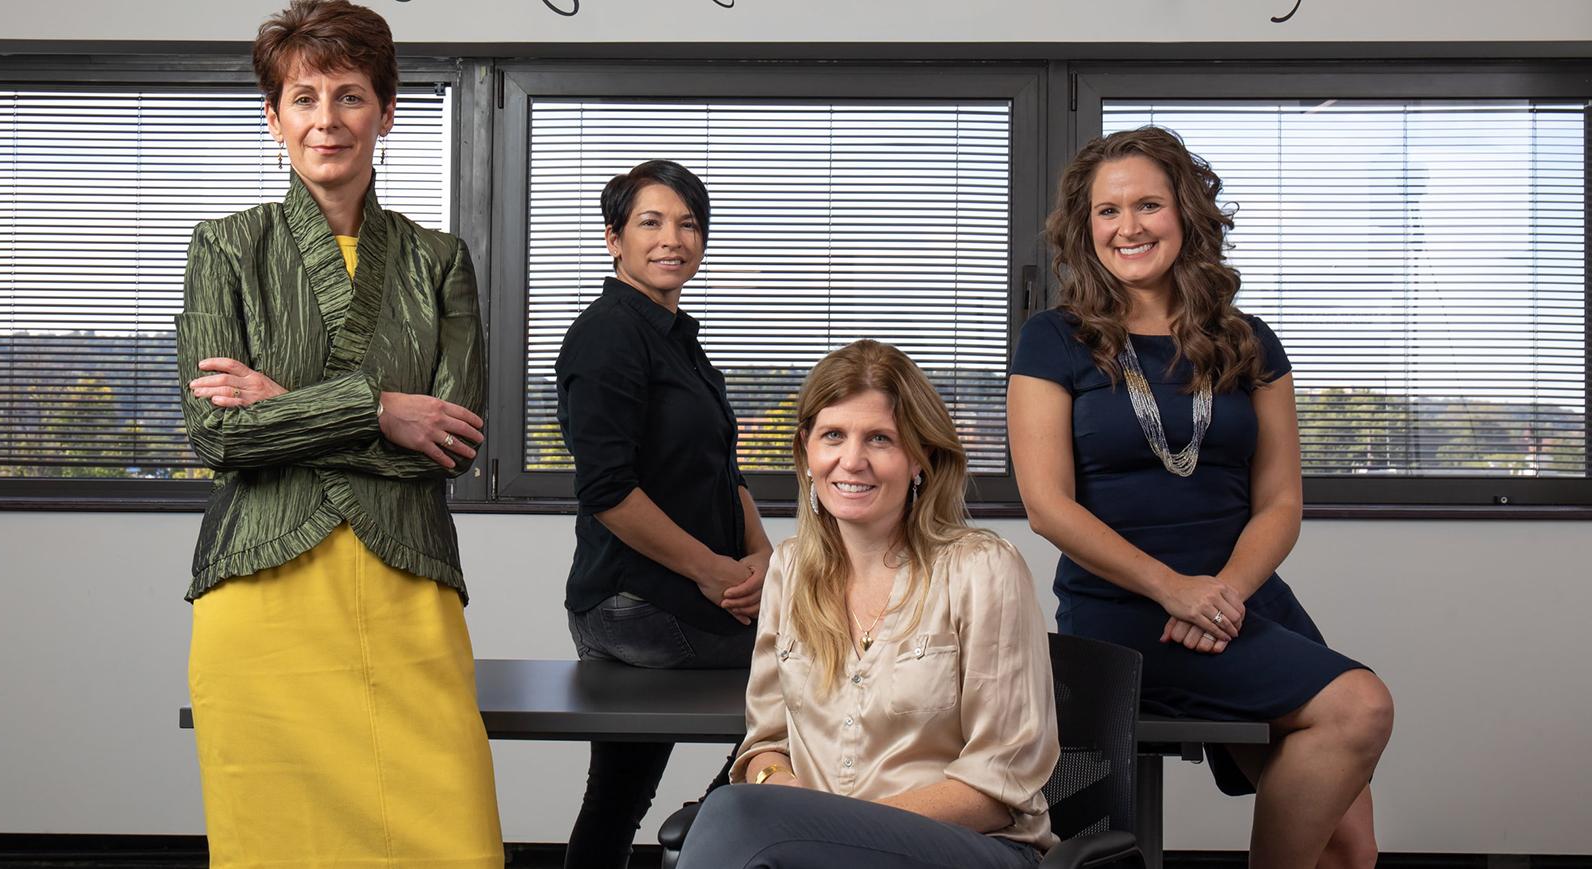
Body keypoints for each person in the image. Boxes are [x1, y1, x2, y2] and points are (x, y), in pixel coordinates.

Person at [1007, 125, 1393, 869]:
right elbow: (1047, 505)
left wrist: (1224, 593)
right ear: (1086, 230)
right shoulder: (1054, 340)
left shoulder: (1250, 341)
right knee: (1361, 703)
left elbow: (1280, 500)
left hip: (1241, 601)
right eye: (1107, 211)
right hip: (1128, 613)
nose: (1129, 226)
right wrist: (1173, 590)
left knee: (1350, 843)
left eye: (1147, 204)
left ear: (1185, 214)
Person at [177, 1, 501, 865]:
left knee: (456, 844)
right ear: (275, 116)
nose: (328, 120)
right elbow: (216, 436)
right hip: (262, 596)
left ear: (386, 112)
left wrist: (284, 402)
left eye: (351, 95)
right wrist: (381, 409)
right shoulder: (225, 248)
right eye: (305, 96)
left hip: (409, 590)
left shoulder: (439, 261)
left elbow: (456, 442)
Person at [678, 339, 1059, 869]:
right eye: (833, 435)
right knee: (738, 814)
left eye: (880, 439)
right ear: (807, 453)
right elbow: (764, 743)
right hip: (811, 847)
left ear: (919, 460)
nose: (851, 461)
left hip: (968, 848)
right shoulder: (788, 572)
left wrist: (835, 827)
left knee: (731, 818)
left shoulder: (982, 569)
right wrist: (779, 786)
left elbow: (1000, 783)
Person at [554, 159, 774, 869]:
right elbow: (608, 491)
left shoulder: (677, 335)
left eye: (688, 224)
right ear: (614, 237)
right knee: (816, 676)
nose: (672, 238)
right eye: (651, 221)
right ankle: (707, 836)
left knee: (617, 797)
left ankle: (702, 832)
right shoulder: (607, 336)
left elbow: (720, 468)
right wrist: (715, 572)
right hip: (633, 601)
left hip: (680, 591)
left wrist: (763, 556)